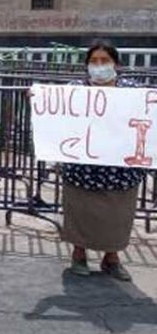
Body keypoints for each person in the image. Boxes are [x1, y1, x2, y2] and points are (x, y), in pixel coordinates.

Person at [60, 40, 146, 281]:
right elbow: (54, 110)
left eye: (104, 61)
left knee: (117, 214)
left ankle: (112, 258)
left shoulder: (133, 91)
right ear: (86, 66)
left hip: (120, 168)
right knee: (80, 210)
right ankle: (79, 254)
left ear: (116, 65)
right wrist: (36, 98)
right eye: (93, 62)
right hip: (83, 167)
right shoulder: (75, 89)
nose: (99, 66)